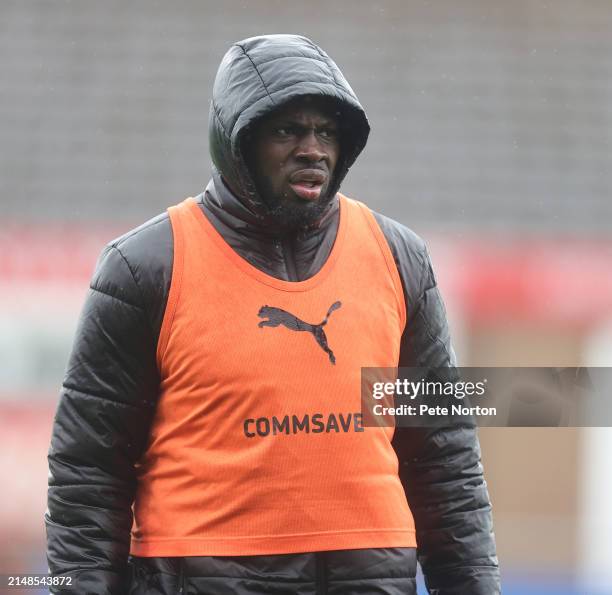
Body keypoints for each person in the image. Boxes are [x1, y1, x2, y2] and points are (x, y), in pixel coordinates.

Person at [46, 34, 500, 594]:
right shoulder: (142, 269)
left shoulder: (400, 258)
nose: (313, 150)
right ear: (237, 142)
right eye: (288, 131)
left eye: (327, 132)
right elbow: (87, 474)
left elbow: (445, 458)